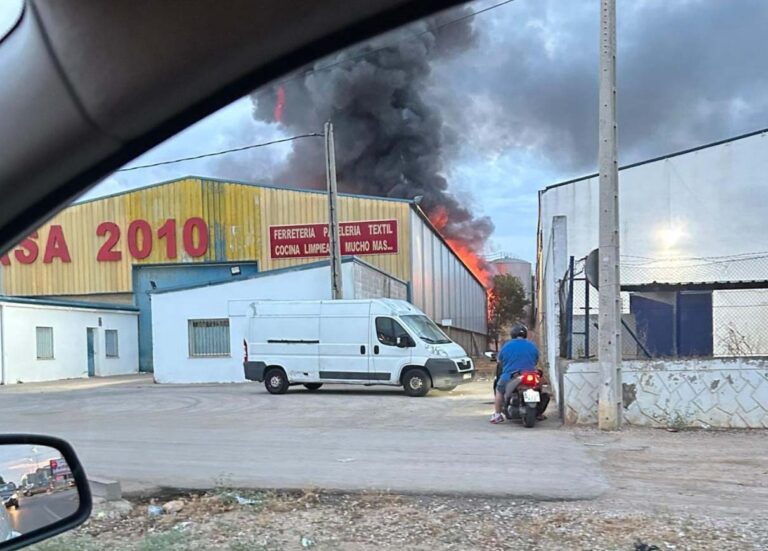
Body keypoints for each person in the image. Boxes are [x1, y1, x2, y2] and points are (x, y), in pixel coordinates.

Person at [490, 323, 540, 424]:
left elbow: (500, 361)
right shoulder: (532, 345)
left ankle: (497, 414)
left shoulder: (507, 346)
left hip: (511, 376)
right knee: (539, 389)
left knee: (499, 390)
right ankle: (539, 413)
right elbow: (535, 360)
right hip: (530, 375)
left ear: (512, 334)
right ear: (525, 334)